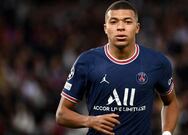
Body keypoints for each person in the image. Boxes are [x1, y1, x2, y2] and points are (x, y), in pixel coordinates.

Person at [56, 1, 179, 135]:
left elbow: (170, 102)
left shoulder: (157, 62)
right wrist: (90, 121)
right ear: (105, 28)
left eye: (127, 22)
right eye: (114, 22)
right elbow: (62, 114)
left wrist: (167, 133)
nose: (120, 27)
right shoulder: (87, 61)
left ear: (137, 27)